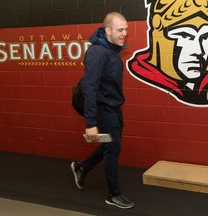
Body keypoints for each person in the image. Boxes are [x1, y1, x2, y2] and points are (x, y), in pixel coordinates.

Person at [71, 12, 134, 209]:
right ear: (108, 31)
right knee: (113, 148)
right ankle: (113, 194)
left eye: (126, 30)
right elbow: (89, 88)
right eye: (120, 30)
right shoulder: (98, 52)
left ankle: (82, 166)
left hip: (114, 108)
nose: (124, 33)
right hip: (103, 109)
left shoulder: (112, 50)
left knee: (109, 144)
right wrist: (91, 124)